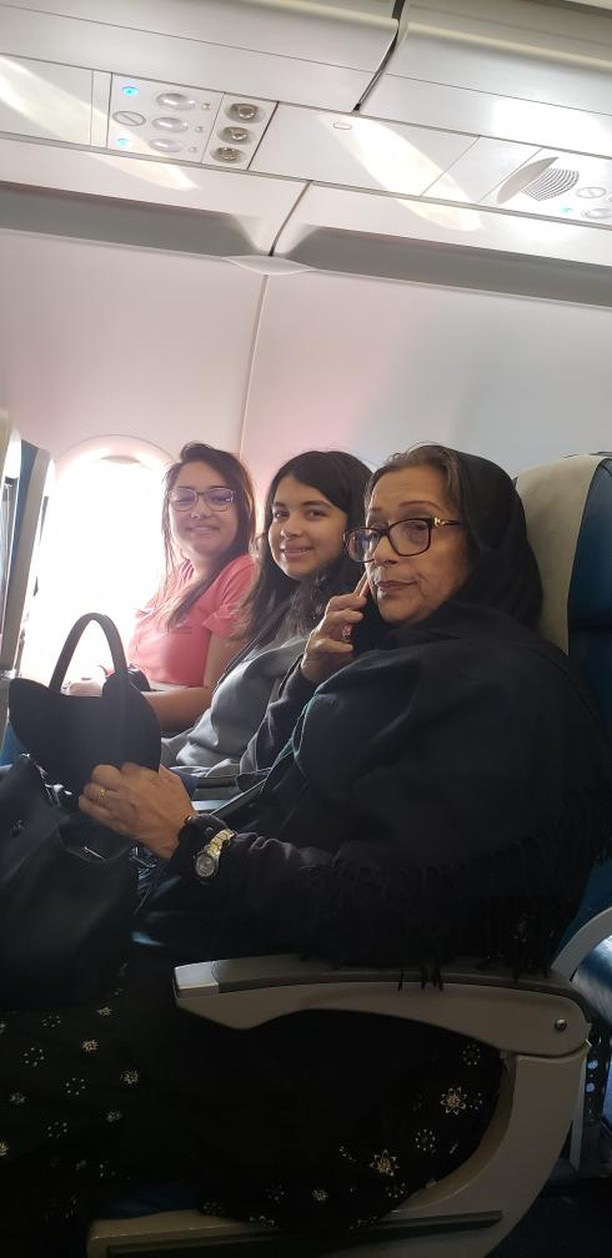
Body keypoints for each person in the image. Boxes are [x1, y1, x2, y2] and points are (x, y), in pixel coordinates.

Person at [1, 445, 611, 1254]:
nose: (384, 552)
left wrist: (187, 839)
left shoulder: (501, 695)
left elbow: (395, 909)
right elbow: (273, 789)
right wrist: (307, 679)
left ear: (488, 543)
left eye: (417, 528)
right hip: (262, 969)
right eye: (375, 533)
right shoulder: (397, 662)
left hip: (340, 1056)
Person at [162, 449, 371, 792]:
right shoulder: (285, 610)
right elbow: (209, 729)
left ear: (356, 528)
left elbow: (261, 770)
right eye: (280, 514)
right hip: (187, 774)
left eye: (314, 513)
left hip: (210, 798)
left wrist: (173, 783)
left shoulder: (336, 638)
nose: (289, 529)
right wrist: (142, 757)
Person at [69, 442, 257, 733]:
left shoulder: (243, 573)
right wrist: (95, 676)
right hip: (134, 711)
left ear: (242, 510)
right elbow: (136, 664)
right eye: (184, 498)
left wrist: (109, 702)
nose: (199, 511)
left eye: (219, 498)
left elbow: (214, 698)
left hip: (169, 735)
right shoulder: (178, 576)